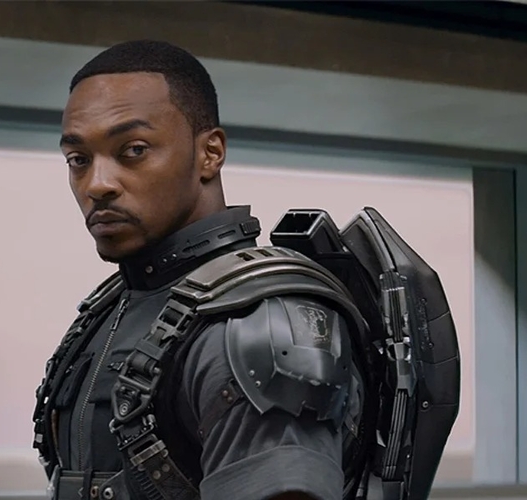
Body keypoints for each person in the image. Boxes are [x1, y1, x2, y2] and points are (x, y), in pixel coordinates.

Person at [31, 40, 360, 500]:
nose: (97, 184)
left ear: (210, 153)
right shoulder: (121, 304)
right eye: (78, 160)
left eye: (133, 150)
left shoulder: (256, 326)